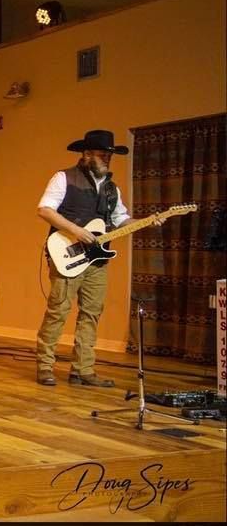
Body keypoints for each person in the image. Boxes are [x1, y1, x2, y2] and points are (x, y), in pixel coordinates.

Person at [36, 129, 163, 387]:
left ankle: (82, 370)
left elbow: (121, 221)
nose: (107, 160)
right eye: (102, 155)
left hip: (97, 260)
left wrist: (148, 221)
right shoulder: (64, 178)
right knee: (58, 311)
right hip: (67, 254)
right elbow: (45, 209)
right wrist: (76, 230)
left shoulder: (111, 189)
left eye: (109, 156)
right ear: (86, 155)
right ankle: (45, 366)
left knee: (91, 313)